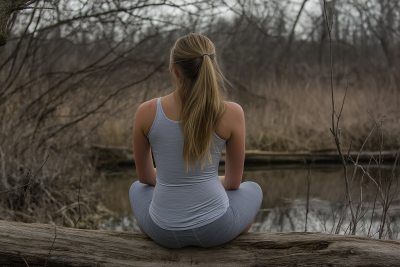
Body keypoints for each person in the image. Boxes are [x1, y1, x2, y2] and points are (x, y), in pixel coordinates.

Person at [129, 33, 263, 248]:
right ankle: (233, 232)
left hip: (162, 232)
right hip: (215, 230)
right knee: (253, 188)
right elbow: (232, 183)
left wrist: (176, 180)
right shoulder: (231, 112)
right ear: (212, 64)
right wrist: (203, 182)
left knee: (137, 187)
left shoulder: (146, 111)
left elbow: (145, 177)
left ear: (174, 69)